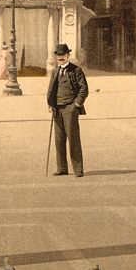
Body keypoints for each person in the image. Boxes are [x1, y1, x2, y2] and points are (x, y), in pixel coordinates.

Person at [46, 43, 89, 178]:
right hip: (57, 109)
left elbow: (84, 89)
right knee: (59, 140)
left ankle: (78, 169)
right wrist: (50, 104)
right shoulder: (55, 71)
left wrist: (76, 104)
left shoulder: (76, 70)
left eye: (63, 55)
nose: (61, 58)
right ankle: (62, 168)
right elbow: (51, 89)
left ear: (68, 55)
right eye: (59, 56)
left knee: (73, 139)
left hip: (70, 108)